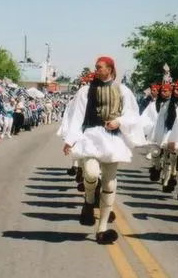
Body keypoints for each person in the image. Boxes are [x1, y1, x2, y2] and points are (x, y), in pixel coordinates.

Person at [62, 56, 143, 244]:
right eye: (96, 67)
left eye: (100, 67)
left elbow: (132, 114)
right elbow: (77, 116)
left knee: (109, 185)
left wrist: (119, 121)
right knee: (91, 173)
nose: (96, 70)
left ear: (110, 69)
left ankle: (102, 229)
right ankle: (89, 201)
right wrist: (70, 140)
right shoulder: (85, 91)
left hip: (112, 138)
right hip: (91, 135)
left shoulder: (123, 90)